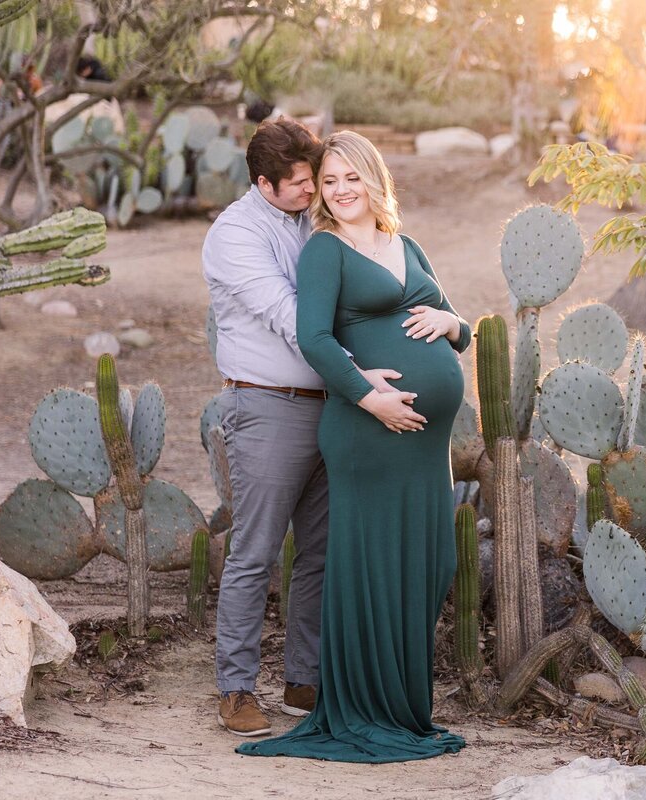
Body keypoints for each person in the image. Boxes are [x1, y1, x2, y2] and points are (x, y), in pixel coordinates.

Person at [237, 130, 469, 763]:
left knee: (427, 565)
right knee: (372, 565)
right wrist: (372, 400)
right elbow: (312, 338)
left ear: (374, 180)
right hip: (367, 432)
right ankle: (366, 706)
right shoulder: (325, 251)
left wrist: (453, 324)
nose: (339, 191)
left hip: (424, 448)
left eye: (350, 179)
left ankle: (404, 706)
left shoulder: (408, 245)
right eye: (329, 181)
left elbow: (459, 324)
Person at [202, 118, 407, 737]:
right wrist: (359, 373)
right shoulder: (235, 235)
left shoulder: (311, 221)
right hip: (269, 407)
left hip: (332, 405)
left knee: (318, 551)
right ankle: (236, 689)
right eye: (299, 184)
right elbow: (292, 316)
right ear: (264, 184)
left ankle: (304, 677)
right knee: (255, 552)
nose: (312, 189)